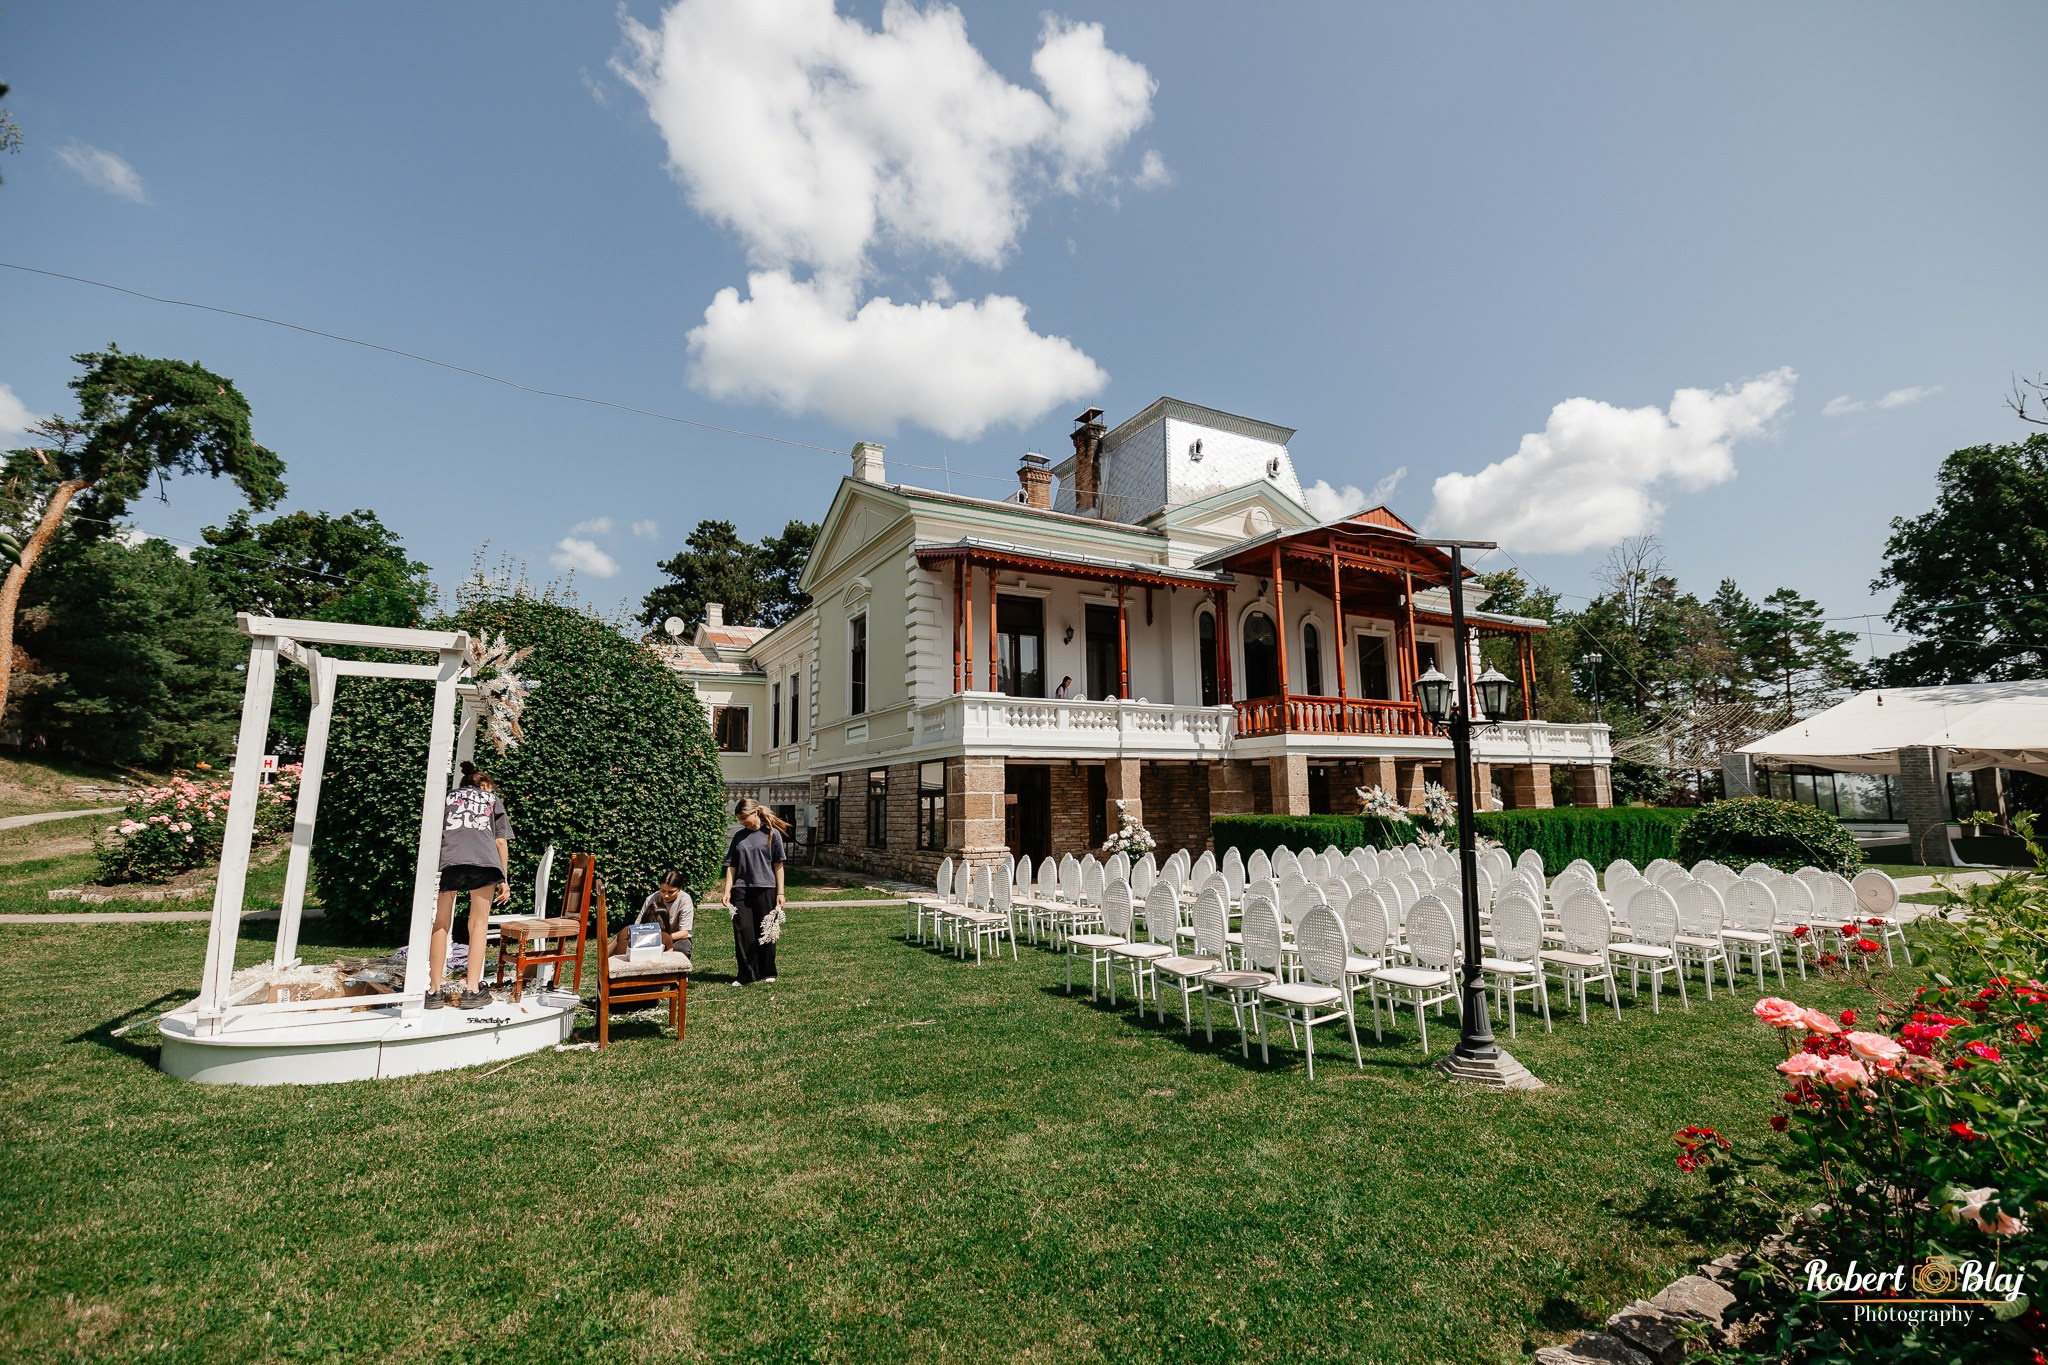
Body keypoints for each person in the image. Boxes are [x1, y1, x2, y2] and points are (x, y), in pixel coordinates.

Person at [431, 761, 512, 1009]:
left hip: (450, 860)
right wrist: (504, 878)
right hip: (484, 862)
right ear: (485, 785)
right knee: (478, 923)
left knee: (441, 922)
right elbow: (500, 842)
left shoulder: (446, 798)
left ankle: (434, 991)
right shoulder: (491, 800)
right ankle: (472, 990)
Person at [720, 797, 789, 986]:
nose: (741, 822)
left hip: (766, 888)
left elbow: (778, 866)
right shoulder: (738, 837)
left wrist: (780, 893)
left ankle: (768, 971)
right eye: (739, 819)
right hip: (741, 890)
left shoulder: (772, 835)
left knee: (766, 930)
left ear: (755, 812)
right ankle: (746, 974)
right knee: (742, 932)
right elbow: (731, 866)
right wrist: (727, 891)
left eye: (744, 817)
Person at [619, 871, 694, 961]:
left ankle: (680, 974)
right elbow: (637, 925)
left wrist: (662, 939)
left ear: (679, 889)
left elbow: (684, 932)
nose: (666, 895)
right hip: (648, 937)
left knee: (682, 949)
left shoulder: (685, 900)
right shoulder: (652, 899)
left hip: (676, 938)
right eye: (662, 891)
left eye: (671, 892)